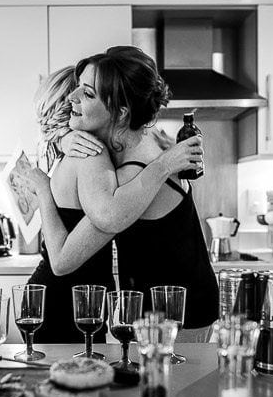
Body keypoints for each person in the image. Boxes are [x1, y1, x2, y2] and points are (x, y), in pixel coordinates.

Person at [27, 46, 218, 339]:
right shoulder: (138, 143)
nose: (71, 98)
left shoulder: (135, 172)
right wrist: (63, 138)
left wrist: (43, 188)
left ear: (120, 112)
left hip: (180, 316)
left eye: (87, 94)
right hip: (165, 311)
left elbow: (68, 256)